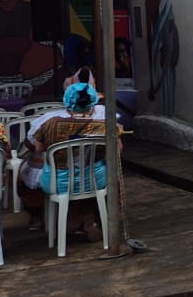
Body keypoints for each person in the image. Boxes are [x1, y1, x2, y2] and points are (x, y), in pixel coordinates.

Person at [17, 81, 119, 238]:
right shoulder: (106, 121)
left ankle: (37, 216)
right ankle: (92, 217)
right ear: (93, 101)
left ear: (66, 101)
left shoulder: (49, 122)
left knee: (26, 169)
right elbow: (118, 149)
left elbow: (35, 148)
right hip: (96, 181)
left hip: (59, 183)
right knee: (107, 171)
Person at [144, 0, 178, 114]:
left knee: (171, 95)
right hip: (159, 61)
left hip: (169, 56)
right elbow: (149, 38)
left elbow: (172, 26)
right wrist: (150, 79)